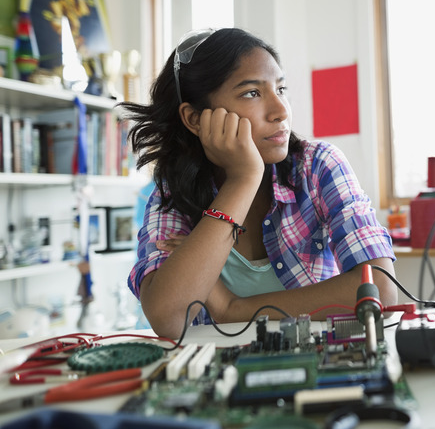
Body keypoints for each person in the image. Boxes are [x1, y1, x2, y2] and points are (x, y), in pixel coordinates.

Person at [119, 28, 397, 339]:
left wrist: (230, 309)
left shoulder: (317, 166)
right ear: (195, 119)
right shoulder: (173, 192)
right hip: (218, 380)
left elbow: (380, 290)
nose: (281, 111)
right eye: (252, 92)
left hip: (322, 371)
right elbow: (168, 319)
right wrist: (243, 179)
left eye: (281, 89)